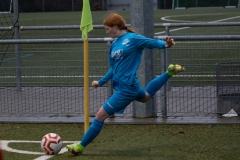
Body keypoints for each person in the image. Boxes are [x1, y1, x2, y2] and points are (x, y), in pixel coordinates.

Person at [66, 12, 185, 154]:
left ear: (115, 26)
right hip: (129, 86)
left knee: (100, 116)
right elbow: (113, 69)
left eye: (107, 29)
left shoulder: (132, 38)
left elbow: (151, 42)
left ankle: (80, 147)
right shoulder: (114, 44)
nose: (107, 32)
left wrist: (166, 44)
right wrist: (101, 82)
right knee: (146, 97)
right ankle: (169, 72)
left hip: (127, 89)